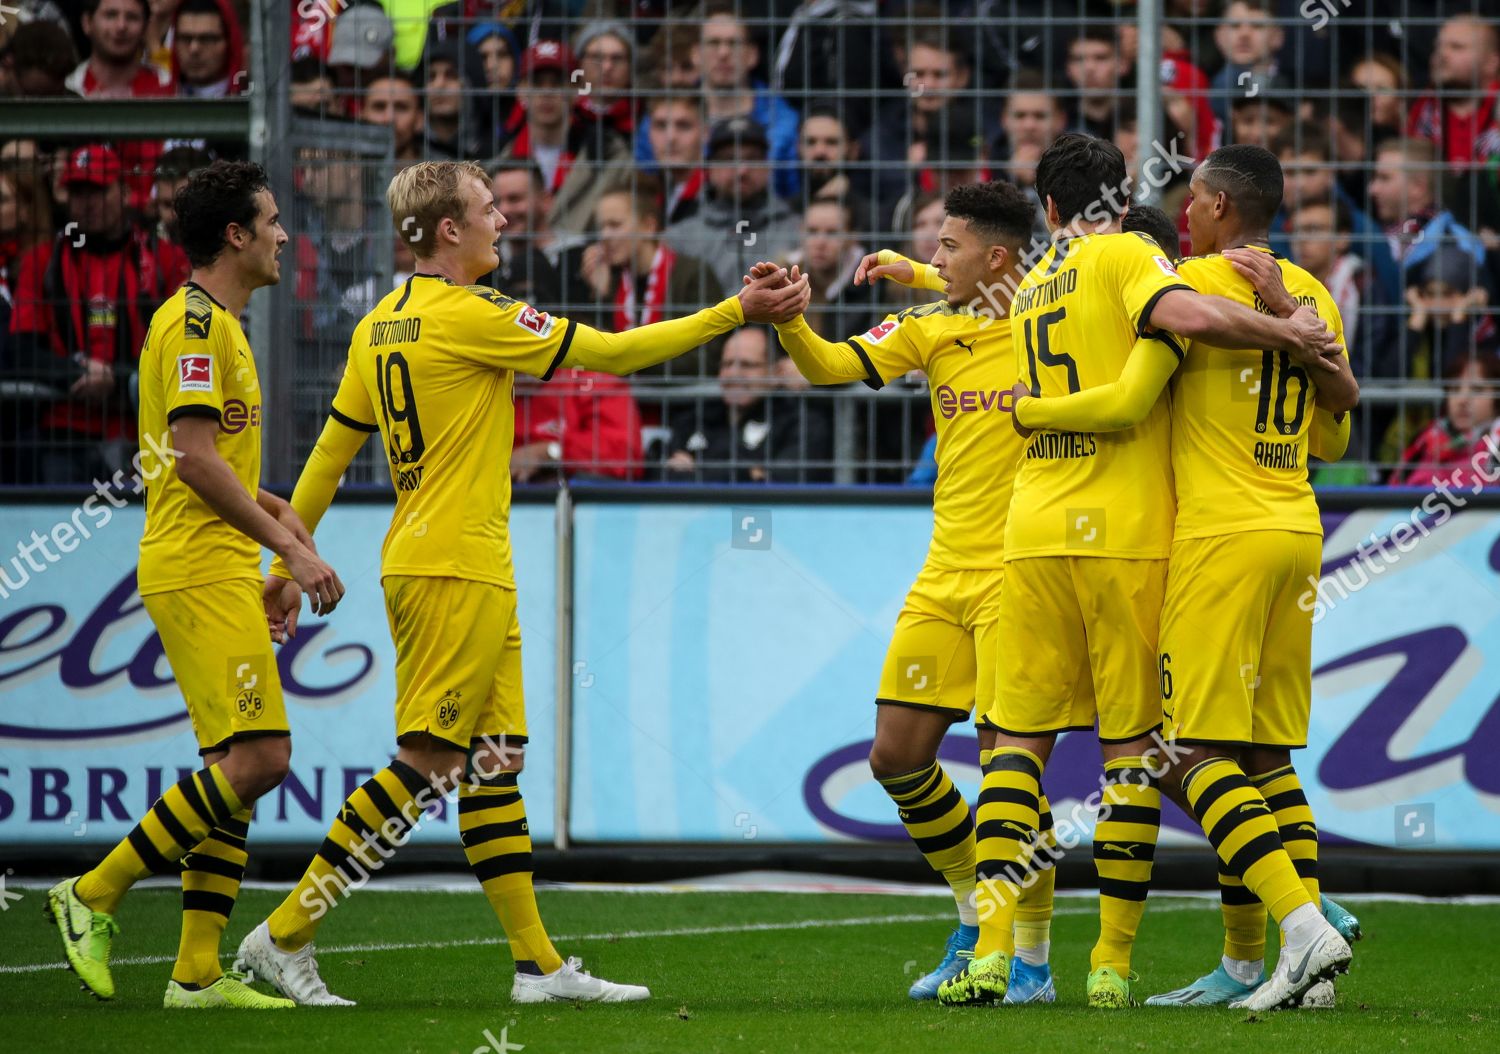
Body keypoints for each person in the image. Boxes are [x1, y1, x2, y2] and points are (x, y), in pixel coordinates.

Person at [235, 159, 811, 1006]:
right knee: (429, 763)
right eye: (487, 208)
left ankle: (537, 967)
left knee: (495, 763)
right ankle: (283, 932)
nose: (504, 219)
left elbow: (332, 447)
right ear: (447, 232)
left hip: (453, 560)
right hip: (452, 565)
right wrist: (736, 312)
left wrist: (291, 558)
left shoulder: (381, 322)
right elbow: (614, 354)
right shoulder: (476, 314)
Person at [938, 132, 1342, 1010]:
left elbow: (1120, 385)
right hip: (1201, 534)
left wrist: (1029, 407)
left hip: (1054, 530)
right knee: (1193, 754)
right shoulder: (1259, 285)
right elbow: (1329, 427)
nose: (1186, 213)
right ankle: (1123, 965)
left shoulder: (1041, 278)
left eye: (1197, 199)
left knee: (1017, 744)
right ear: (1121, 203)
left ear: (1049, 210)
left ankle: (1000, 956)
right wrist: (1291, 333)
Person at [749, 180, 1062, 1002]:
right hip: (944, 573)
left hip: (1021, 574)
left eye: (948, 245)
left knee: (1007, 775)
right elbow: (828, 369)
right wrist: (789, 322)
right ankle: (973, 911)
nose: (935, 257)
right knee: (895, 755)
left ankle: (1022, 959)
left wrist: (916, 272)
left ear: (994, 253)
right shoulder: (931, 331)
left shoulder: (1045, 318)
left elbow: (1026, 285)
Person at [44, 159, 343, 1009]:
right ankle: (91, 892)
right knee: (262, 758)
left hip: (215, 563)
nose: (288, 235)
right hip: (198, 568)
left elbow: (218, 468)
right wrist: (292, 547)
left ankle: (197, 973)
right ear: (236, 236)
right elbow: (192, 459)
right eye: (273, 220)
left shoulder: (218, 323)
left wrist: (282, 519)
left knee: (230, 764)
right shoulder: (198, 325)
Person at [8, 144, 188, 483]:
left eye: (98, 191)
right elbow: (19, 350)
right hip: (64, 434)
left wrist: (115, 378)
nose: (87, 203)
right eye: (79, 192)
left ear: (123, 192)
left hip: (139, 434)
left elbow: (180, 348)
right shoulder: (41, 262)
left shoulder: (165, 260)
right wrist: (76, 370)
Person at [582, 174, 724, 379]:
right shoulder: (608, 280)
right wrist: (601, 297)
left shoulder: (693, 274)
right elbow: (599, 354)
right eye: (601, 227)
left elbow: (706, 357)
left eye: (615, 225)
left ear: (649, 226)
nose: (605, 236)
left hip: (683, 407)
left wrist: (633, 360)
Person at [665, 325, 831, 483]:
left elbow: (784, 483)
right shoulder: (695, 418)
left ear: (776, 372)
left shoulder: (802, 422)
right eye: (726, 364)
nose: (733, 374)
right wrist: (749, 473)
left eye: (747, 365)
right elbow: (660, 477)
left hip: (761, 513)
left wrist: (697, 472)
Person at [666, 115, 802, 295]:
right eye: (729, 159)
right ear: (709, 168)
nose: (742, 170)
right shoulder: (680, 239)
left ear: (768, 166)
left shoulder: (798, 231)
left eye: (752, 159)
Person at [691, 1, 800, 200]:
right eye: (714, 43)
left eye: (733, 43)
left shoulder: (785, 123)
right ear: (696, 55)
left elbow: (794, 198)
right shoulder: (667, 117)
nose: (723, 53)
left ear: (752, 55)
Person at [1389, 353, 1500, 488]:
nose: (1462, 400)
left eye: (1477, 389)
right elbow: (1395, 487)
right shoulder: (1427, 439)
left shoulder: (1495, 446)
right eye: (1455, 389)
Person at [1407, 14, 1500, 166]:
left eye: (1457, 47)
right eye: (1438, 46)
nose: (1442, 54)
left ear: (1491, 62)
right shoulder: (1419, 110)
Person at [65, 0, 172, 98]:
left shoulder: (169, 87)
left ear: (145, 27)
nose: (121, 26)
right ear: (87, 22)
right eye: (111, 15)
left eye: (132, 17)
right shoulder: (68, 87)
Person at [1208, 0, 1283, 130]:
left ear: (1277, 36)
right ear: (1218, 36)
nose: (1244, 34)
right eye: (1235, 26)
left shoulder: (1297, 85)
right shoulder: (1203, 88)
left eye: (1257, 26)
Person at [644, 92, 710, 227]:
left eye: (683, 126)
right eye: (661, 126)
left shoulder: (719, 192)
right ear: (649, 133)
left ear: (705, 133)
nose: (670, 138)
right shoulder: (644, 192)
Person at [171, 0, 244, 98]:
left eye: (207, 39)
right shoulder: (154, 96)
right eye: (185, 38)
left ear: (229, 42)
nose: (194, 49)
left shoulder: (254, 99)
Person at [362, 72, 426, 164]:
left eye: (401, 107)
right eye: (379, 107)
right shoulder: (341, 170)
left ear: (419, 119)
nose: (389, 118)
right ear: (362, 115)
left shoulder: (443, 175)